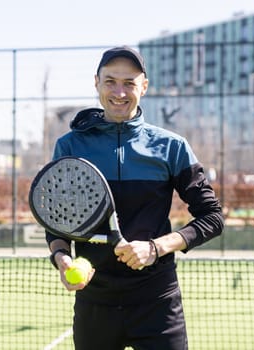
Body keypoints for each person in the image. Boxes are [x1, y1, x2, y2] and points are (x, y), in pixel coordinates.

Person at [46, 46, 224, 350]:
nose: (119, 92)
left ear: (144, 86)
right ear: (96, 83)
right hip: (94, 303)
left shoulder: (172, 147)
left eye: (129, 82)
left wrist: (156, 248)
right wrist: (62, 259)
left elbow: (212, 218)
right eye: (110, 81)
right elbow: (58, 222)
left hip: (157, 302)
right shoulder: (70, 146)